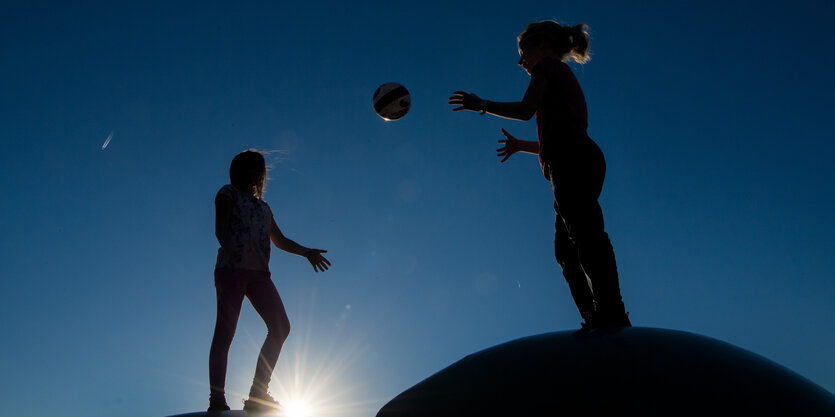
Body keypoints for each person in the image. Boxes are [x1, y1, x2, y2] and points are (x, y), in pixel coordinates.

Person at [449, 20, 630, 328]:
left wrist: (481, 104)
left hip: (572, 159)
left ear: (543, 45)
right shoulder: (557, 76)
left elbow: (524, 110)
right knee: (567, 248)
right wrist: (522, 146)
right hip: (578, 156)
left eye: (523, 52)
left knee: (584, 235)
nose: (520, 61)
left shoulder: (546, 68)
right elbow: (557, 135)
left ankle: (610, 312)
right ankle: (595, 315)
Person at [208, 150, 331, 412]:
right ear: (240, 170)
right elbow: (220, 227)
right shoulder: (227, 193)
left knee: (281, 327)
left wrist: (307, 252)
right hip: (232, 269)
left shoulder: (264, 208)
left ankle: (257, 393)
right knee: (226, 331)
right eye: (251, 167)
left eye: (258, 169)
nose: (256, 173)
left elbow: (280, 240)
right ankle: (216, 399)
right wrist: (230, 246)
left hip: (259, 275)